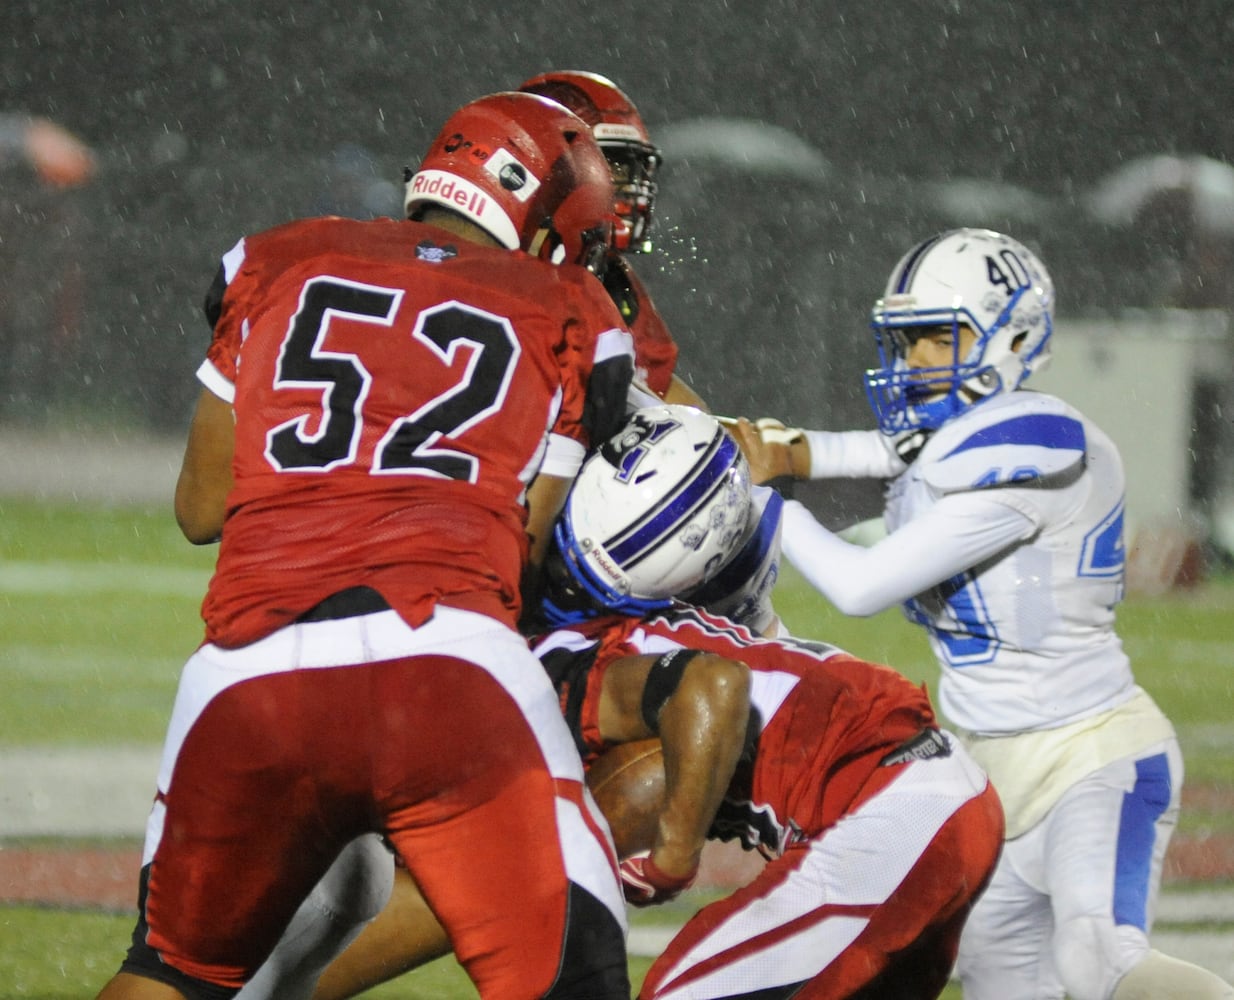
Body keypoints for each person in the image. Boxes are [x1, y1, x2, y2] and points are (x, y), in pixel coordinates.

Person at [95, 91, 636, 1000]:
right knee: (573, 976)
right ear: (537, 212)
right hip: (445, 663)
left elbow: (199, 506)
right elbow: (524, 550)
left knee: (171, 973)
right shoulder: (569, 306)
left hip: (251, 675)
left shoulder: (280, 257)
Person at [246, 404, 1004, 1000]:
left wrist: (674, 855)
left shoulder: (563, 660)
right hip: (947, 796)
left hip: (892, 809)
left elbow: (710, 687)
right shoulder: (638, 624)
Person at [731, 228, 1234, 1000]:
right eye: (908, 340)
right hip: (989, 775)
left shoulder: (1030, 456)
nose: (917, 360)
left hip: (1091, 757)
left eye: (941, 335)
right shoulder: (962, 444)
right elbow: (888, 452)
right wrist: (788, 449)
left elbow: (859, 586)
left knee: (1100, 960)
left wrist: (760, 494)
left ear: (1018, 335)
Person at [518, 70, 708, 410]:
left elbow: (683, 412)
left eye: (627, 172)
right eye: (608, 167)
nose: (624, 189)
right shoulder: (505, 273)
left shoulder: (613, 281)